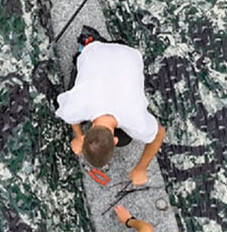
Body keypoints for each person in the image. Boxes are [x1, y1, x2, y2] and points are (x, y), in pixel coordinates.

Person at [55, 36, 166, 185]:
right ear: (114, 140)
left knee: (124, 140)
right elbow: (69, 113)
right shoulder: (80, 105)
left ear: (114, 141)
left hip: (108, 53)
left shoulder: (135, 120)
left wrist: (78, 135)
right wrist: (78, 136)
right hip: (113, 53)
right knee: (76, 89)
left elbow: (160, 133)